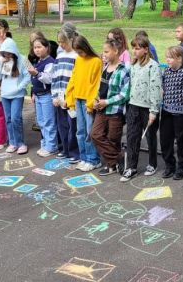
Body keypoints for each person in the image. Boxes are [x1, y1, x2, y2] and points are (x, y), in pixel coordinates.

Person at [121, 35, 163, 182]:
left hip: (147, 108)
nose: (134, 51)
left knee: (151, 136)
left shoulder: (153, 66)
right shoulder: (133, 65)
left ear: (146, 50)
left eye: (138, 48)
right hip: (133, 105)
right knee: (132, 136)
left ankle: (152, 163)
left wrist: (153, 111)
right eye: (133, 48)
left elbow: (155, 89)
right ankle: (131, 167)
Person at [92, 39, 131, 176]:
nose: (104, 54)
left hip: (115, 111)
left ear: (116, 51)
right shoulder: (105, 67)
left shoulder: (123, 70)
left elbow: (124, 95)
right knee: (95, 135)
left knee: (113, 138)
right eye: (104, 51)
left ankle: (111, 166)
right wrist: (97, 100)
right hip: (101, 109)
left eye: (107, 51)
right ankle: (119, 157)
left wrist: (107, 102)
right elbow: (101, 88)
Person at [64, 35, 102, 172]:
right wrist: (70, 98)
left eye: (80, 51)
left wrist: (91, 103)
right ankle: (84, 157)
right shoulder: (78, 59)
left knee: (89, 131)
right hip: (78, 99)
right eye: (77, 52)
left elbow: (96, 84)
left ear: (85, 47)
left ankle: (93, 159)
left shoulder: (96, 61)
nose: (79, 54)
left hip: (88, 101)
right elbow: (73, 79)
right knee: (80, 131)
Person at [160, 46, 183, 180]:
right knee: (165, 139)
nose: (168, 59)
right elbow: (163, 87)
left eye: (171, 57)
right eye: (167, 57)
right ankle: (169, 165)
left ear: (179, 58)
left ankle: (182, 167)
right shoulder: (166, 71)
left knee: (181, 141)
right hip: (167, 110)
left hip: (182, 112)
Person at [0, 38, 30, 154]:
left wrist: (20, 87)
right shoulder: (2, 60)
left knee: (15, 118)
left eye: (9, 53)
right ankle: (12, 142)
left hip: (17, 94)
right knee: (8, 119)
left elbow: (28, 75)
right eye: (5, 53)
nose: (7, 55)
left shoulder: (23, 59)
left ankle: (20, 143)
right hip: (5, 94)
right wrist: (0, 63)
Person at [52, 23, 80, 163]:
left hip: (71, 98)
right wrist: (55, 96)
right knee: (62, 125)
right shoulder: (59, 57)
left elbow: (76, 80)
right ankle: (64, 149)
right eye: (59, 42)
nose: (61, 45)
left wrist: (70, 98)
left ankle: (75, 152)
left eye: (63, 42)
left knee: (72, 126)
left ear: (71, 39)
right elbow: (55, 77)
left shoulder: (77, 56)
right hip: (60, 96)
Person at [29, 37, 58, 157]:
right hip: (38, 95)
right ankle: (45, 143)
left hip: (47, 96)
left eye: (39, 47)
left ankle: (51, 146)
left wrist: (37, 73)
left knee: (48, 122)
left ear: (47, 48)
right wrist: (34, 93)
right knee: (41, 121)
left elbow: (49, 79)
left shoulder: (50, 62)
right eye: (35, 47)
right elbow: (35, 81)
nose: (37, 50)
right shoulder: (38, 61)